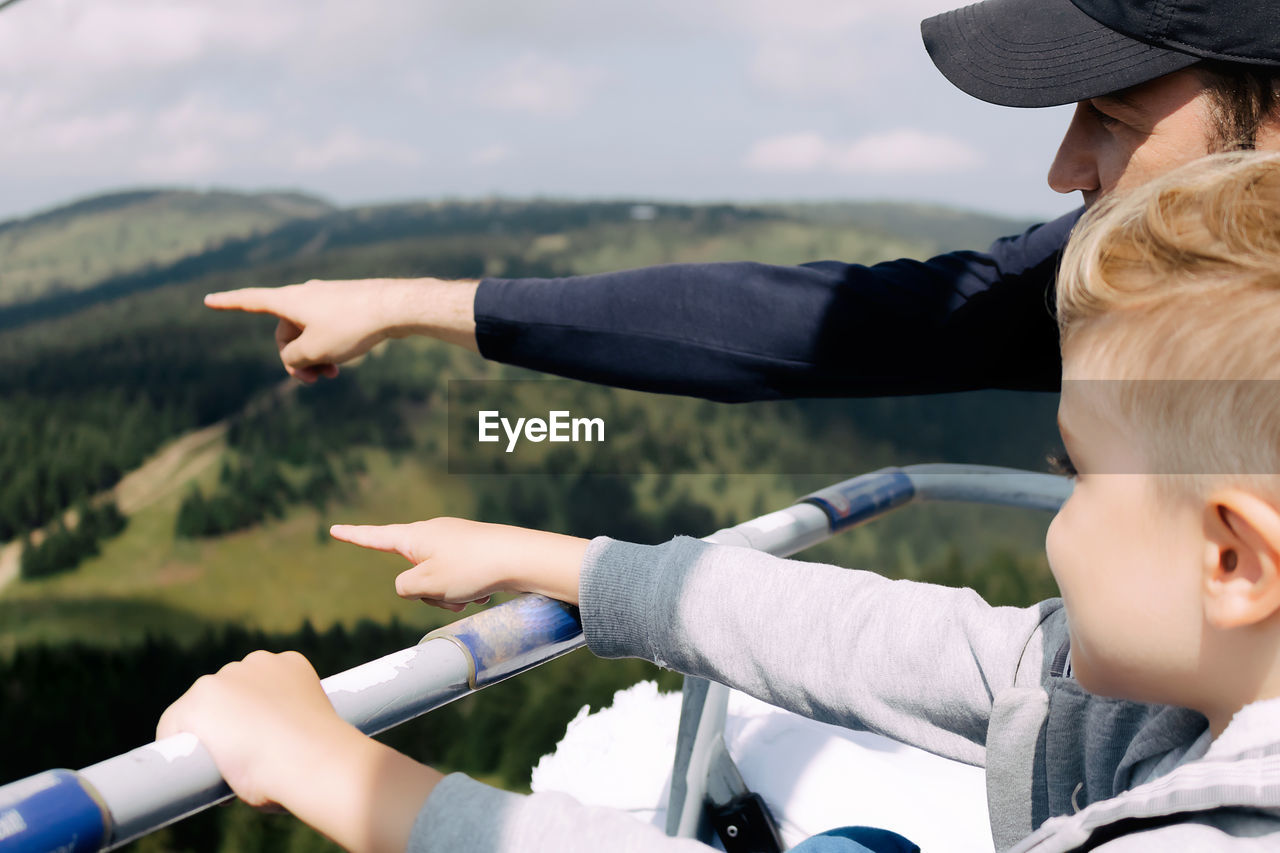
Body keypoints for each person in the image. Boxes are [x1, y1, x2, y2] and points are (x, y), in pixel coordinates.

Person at [161, 151, 1280, 851]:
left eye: (1074, 476)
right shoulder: (1192, 705)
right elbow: (923, 648)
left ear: (1230, 560)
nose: (1054, 518)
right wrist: (569, 564)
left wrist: (329, 768)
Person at [204, 0, 1280, 402]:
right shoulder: (1127, 271)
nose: (1063, 168)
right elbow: (806, 327)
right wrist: (412, 302)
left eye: (1109, 116)